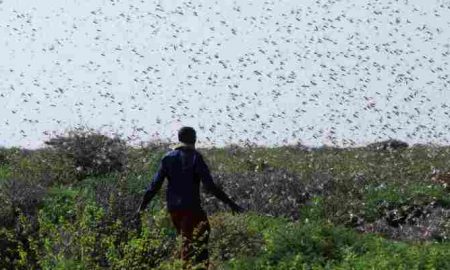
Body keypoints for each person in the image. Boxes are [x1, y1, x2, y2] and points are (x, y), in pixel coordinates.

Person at [136, 126, 243, 269]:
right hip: (191, 209)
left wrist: (142, 206)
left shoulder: (167, 158)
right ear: (194, 139)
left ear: (179, 139)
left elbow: (154, 185)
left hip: (174, 211)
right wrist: (231, 204)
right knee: (195, 246)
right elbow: (210, 186)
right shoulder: (195, 157)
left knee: (189, 243)